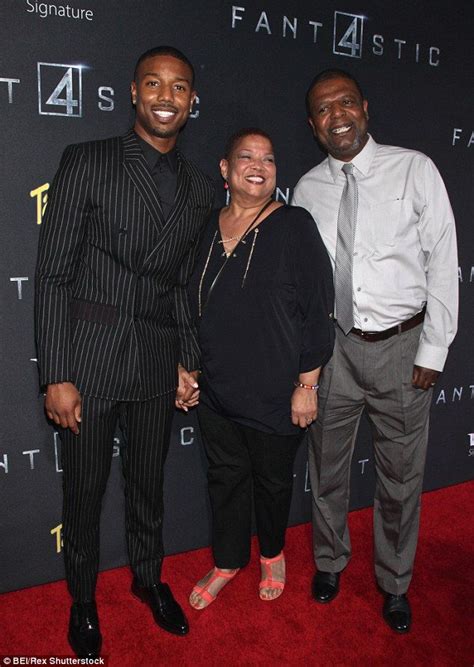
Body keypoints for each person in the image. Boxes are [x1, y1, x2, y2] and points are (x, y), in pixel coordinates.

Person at [35, 46, 214, 657]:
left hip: (156, 361)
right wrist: (56, 373)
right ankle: (83, 600)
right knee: (83, 493)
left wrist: (187, 358)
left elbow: (184, 287)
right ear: (133, 93)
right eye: (154, 84)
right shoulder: (87, 161)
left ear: (192, 101)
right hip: (88, 360)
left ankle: (148, 579)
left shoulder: (197, 187)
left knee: (148, 487)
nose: (167, 96)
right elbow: (54, 276)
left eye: (180, 87)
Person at [292, 69, 458, 633]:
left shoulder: (415, 169)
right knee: (327, 469)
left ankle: (394, 582)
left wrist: (433, 350)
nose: (336, 116)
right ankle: (330, 562)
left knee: (400, 478)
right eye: (322, 110)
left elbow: (444, 261)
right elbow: (305, 283)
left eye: (344, 103)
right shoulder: (307, 188)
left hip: (401, 348)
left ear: (364, 107)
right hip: (332, 350)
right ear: (313, 126)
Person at [187, 128, 334, 609]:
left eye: (268, 159)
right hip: (216, 390)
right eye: (246, 157)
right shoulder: (206, 226)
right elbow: (183, 304)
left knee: (272, 484)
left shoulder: (294, 224)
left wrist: (307, 385)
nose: (258, 166)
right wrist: (183, 366)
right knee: (224, 479)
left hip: (277, 391)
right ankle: (228, 560)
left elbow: (318, 309)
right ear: (224, 169)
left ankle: (272, 553)